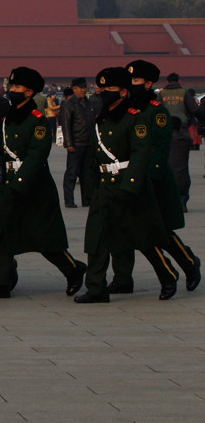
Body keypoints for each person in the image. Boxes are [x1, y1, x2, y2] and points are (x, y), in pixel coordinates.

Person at [0, 67, 87, 300]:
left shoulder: (36, 121)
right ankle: (0, 283)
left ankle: (74, 269)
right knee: (1, 234)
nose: (12, 91)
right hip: (12, 184)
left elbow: (37, 156)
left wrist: (17, 184)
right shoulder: (10, 117)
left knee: (45, 239)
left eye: (17, 88)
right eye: (11, 87)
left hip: (33, 187)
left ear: (28, 93)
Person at [75, 68, 181, 303]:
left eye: (109, 89)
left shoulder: (135, 118)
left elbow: (141, 153)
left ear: (123, 92)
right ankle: (95, 288)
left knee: (143, 238)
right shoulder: (99, 118)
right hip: (105, 188)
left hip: (128, 186)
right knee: (97, 238)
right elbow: (95, 157)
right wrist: (91, 188)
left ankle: (168, 275)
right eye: (101, 89)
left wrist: (130, 186)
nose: (103, 93)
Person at [107, 60, 201, 295]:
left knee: (158, 230)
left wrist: (148, 176)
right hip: (128, 175)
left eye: (136, 81)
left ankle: (188, 263)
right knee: (132, 228)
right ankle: (124, 278)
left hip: (151, 177)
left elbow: (159, 147)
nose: (132, 85)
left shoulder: (156, 110)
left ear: (149, 84)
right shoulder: (126, 106)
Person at [60, 77, 96, 208]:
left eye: (84, 87)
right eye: (80, 88)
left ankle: (87, 200)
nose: (83, 90)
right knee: (72, 173)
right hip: (76, 143)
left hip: (88, 143)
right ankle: (69, 200)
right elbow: (66, 124)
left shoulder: (89, 103)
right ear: (74, 89)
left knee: (87, 174)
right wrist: (69, 143)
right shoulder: (69, 104)